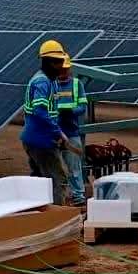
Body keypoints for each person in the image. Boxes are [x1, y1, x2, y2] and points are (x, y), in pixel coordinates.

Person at [21, 39, 72, 205]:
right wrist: (58, 132)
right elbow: (40, 111)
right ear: (46, 62)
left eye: (61, 62)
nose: (60, 66)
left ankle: (36, 211)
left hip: (37, 139)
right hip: (41, 141)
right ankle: (56, 213)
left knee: (39, 180)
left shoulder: (50, 81)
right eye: (56, 62)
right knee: (58, 179)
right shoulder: (42, 82)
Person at [54, 57, 89, 206]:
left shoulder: (76, 84)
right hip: (53, 133)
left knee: (74, 167)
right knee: (54, 168)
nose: (63, 72)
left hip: (71, 132)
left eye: (66, 69)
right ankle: (57, 198)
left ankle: (78, 196)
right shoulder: (50, 84)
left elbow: (82, 107)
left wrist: (71, 111)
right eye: (61, 69)